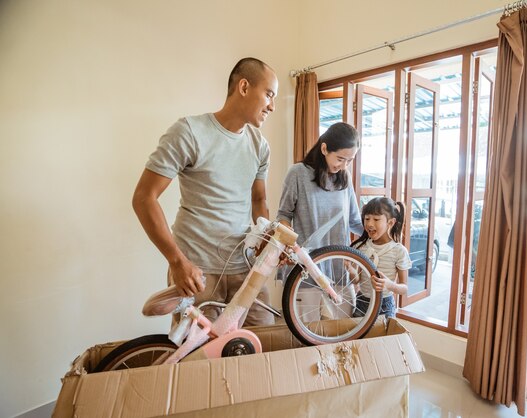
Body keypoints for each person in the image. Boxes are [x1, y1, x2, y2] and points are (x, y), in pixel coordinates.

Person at [132, 57, 278, 327]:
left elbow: (259, 200)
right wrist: (177, 262)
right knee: (200, 363)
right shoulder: (189, 132)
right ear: (244, 87)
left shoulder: (259, 146)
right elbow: (144, 198)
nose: (272, 105)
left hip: (243, 269)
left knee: (263, 346)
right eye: (269, 94)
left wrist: (265, 238)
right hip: (197, 271)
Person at [276, 122, 364, 320]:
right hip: (305, 267)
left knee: (344, 330)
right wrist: (290, 244)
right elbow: (283, 215)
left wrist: (380, 231)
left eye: (350, 161)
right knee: (304, 333)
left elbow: (354, 221)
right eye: (340, 159)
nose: (344, 166)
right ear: (324, 148)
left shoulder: (344, 178)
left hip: (337, 267)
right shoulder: (298, 173)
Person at [350, 197, 411, 318]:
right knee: (359, 337)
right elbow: (356, 280)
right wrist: (349, 268)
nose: (369, 224)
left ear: (390, 223)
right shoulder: (360, 246)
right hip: (361, 302)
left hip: (385, 305)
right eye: (367, 218)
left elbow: (404, 288)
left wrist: (389, 285)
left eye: (376, 219)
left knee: (382, 337)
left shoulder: (399, 251)